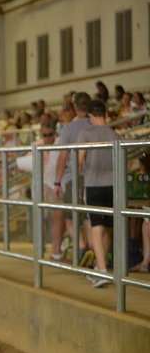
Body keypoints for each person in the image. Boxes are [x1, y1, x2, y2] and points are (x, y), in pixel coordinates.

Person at [76, 99, 118, 288]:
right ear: (105, 114)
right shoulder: (114, 135)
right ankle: (102, 266)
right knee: (108, 227)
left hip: (94, 184)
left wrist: (79, 182)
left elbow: (80, 159)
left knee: (96, 226)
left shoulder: (86, 133)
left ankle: (102, 270)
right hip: (113, 185)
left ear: (90, 115)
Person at [53, 92, 93, 263]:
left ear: (75, 107)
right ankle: (94, 251)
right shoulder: (97, 124)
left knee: (70, 218)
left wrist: (57, 182)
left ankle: (83, 248)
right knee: (90, 218)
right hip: (93, 178)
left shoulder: (69, 128)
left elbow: (63, 157)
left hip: (73, 178)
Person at [39, 122, 69, 261]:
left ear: (55, 134)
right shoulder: (38, 146)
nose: (47, 138)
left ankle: (56, 248)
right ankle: (53, 249)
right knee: (54, 219)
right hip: (51, 184)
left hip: (56, 184)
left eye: (49, 134)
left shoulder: (58, 143)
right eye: (44, 135)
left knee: (60, 219)